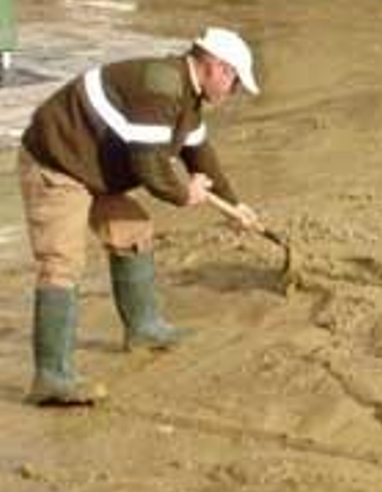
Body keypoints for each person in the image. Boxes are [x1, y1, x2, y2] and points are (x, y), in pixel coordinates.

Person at [17, 27, 262, 405]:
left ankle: (144, 328)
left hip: (92, 166)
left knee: (134, 231)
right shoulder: (160, 87)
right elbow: (149, 164)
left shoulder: (186, 96)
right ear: (218, 68)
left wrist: (235, 204)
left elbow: (199, 155)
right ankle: (51, 375)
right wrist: (185, 194)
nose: (234, 94)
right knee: (61, 262)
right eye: (235, 85)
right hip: (58, 163)